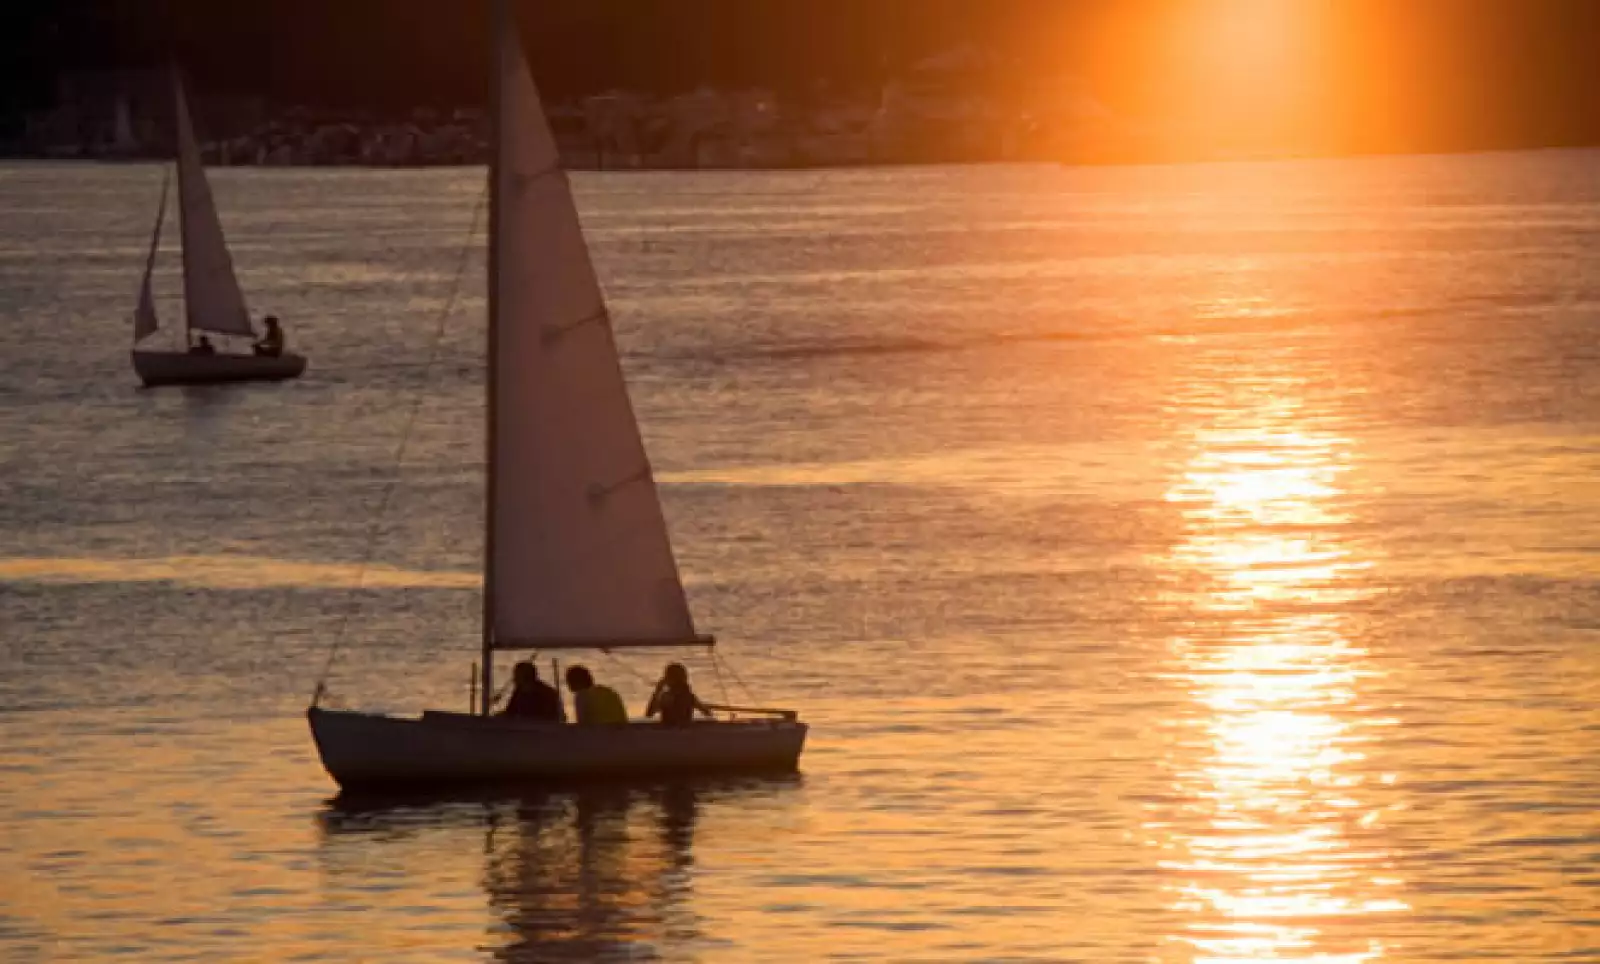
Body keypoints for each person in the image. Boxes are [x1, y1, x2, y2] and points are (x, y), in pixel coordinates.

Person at [645, 662, 713, 726]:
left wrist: (658, 690)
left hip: (670, 731)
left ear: (668, 680)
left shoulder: (666, 697)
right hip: (684, 730)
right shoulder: (689, 696)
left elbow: (649, 714)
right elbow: (707, 713)